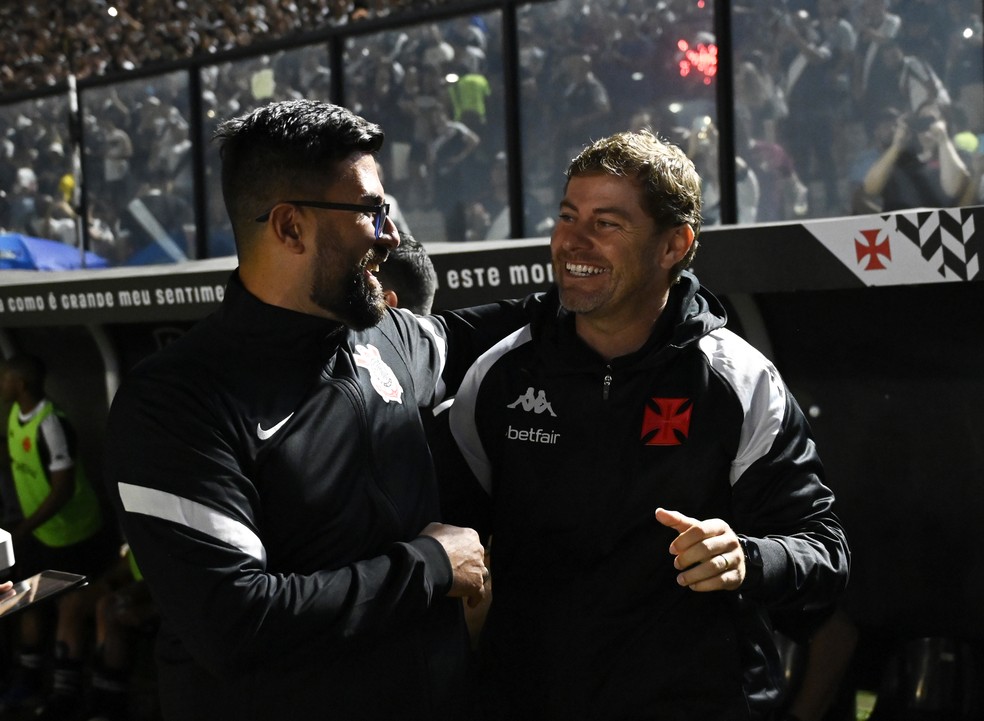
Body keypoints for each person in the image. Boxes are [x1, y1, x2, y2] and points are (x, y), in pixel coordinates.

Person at [102, 99, 533, 721]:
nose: (390, 235)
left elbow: (474, 332)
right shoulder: (174, 402)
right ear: (290, 227)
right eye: (371, 211)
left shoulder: (387, 339)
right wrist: (431, 565)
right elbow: (234, 622)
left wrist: (656, 290)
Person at [446, 129, 851, 720]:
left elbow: (824, 553)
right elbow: (451, 539)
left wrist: (746, 557)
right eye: (567, 216)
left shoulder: (739, 380)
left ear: (673, 246)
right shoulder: (499, 374)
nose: (572, 241)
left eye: (606, 223)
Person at [0, 354, 117, 717]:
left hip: (74, 535)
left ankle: (65, 695)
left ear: (20, 383)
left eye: (4, 378)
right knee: (23, 601)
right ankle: (30, 682)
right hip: (42, 535)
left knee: (69, 607)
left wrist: (23, 527)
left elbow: (64, 488)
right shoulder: (13, 418)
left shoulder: (51, 423)